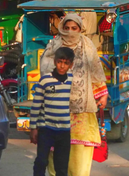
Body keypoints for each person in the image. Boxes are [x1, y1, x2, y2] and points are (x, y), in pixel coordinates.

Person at [39, 13, 108, 176]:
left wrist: (102, 95)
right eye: (67, 28)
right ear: (62, 28)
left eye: (74, 28)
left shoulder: (87, 45)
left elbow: (96, 71)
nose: (70, 31)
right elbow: (45, 71)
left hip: (82, 111)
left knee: (80, 155)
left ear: (80, 29)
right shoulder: (53, 46)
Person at [31, 47, 75, 176]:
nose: (62, 66)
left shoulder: (73, 81)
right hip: (46, 129)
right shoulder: (45, 80)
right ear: (55, 62)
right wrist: (33, 128)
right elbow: (36, 105)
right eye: (60, 62)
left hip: (64, 130)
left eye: (66, 63)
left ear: (70, 65)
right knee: (41, 161)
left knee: (61, 167)